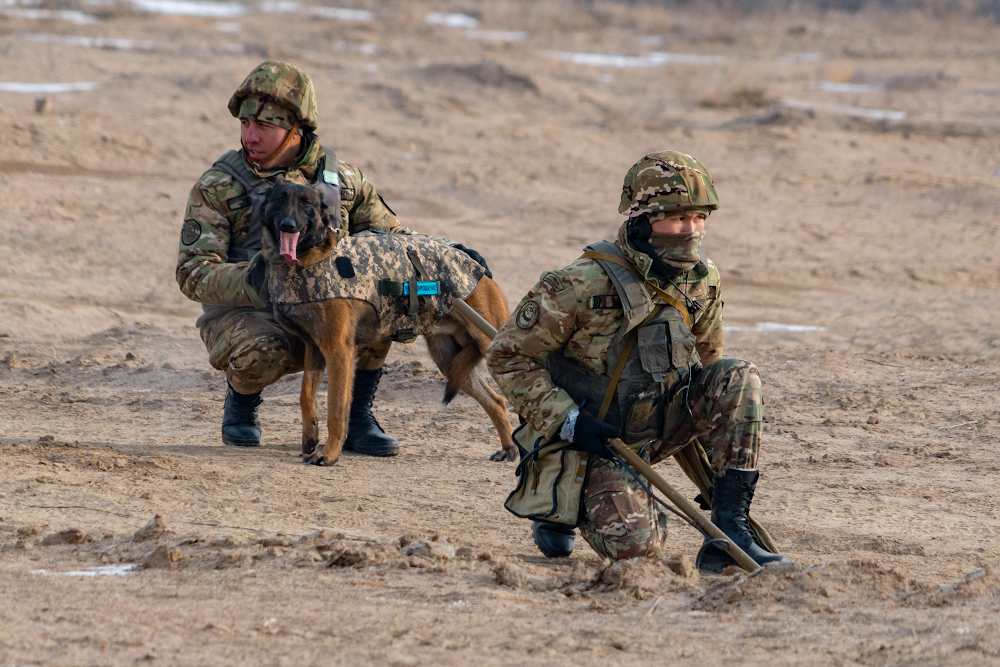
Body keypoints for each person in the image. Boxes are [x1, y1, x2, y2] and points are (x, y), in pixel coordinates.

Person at [485, 151, 788, 572]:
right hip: (589, 441)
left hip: (657, 425)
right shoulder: (579, 282)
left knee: (738, 377)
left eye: (700, 218)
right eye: (678, 218)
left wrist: (712, 467)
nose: (692, 230)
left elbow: (707, 364)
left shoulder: (703, 279)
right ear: (642, 219)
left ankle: (728, 532)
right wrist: (569, 421)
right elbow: (508, 356)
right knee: (642, 554)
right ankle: (558, 503)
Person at [176, 61, 490, 454]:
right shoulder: (219, 185)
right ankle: (242, 401)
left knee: (384, 302)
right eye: (244, 124)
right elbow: (192, 273)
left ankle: (357, 416)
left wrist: (447, 254)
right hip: (248, 312)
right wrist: (262, 280)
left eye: (264, 126)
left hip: (327, 307)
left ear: (296, 128)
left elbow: (392, 240)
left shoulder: (341, 180)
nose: (250, 136)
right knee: (263, 353)